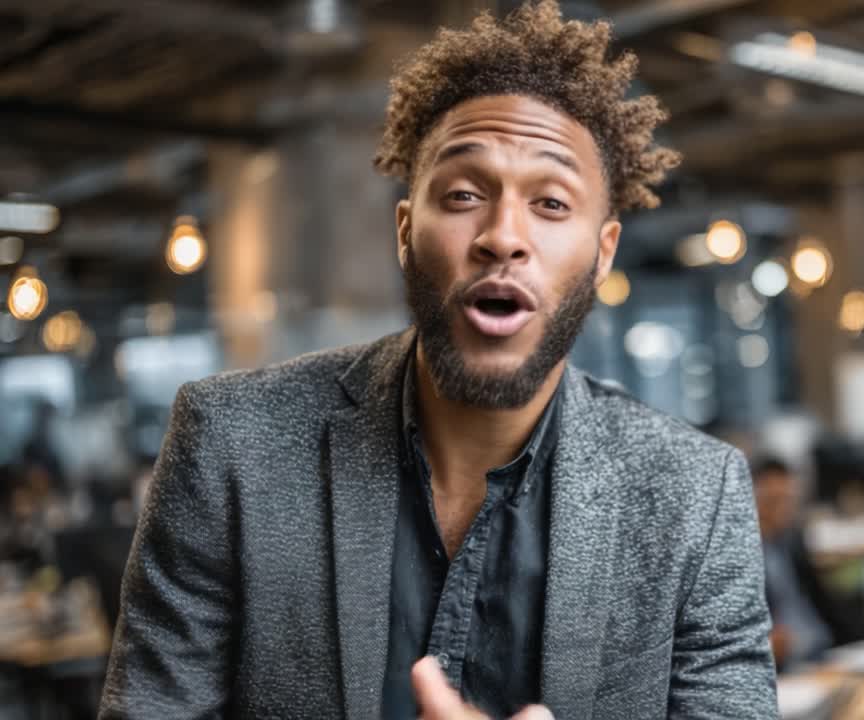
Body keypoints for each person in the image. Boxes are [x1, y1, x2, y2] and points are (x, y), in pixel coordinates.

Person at [98, 3, 776, 719]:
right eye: (461, 195)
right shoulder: (231, 445)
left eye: (550, 202)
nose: (502, 236)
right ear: (404, 230)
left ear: (604, 252)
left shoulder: (697, 498)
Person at [753, 457, 864, 671]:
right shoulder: (740, 558)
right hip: (789, 665)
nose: (783, 510)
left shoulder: (792, 541)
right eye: (773, 501)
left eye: (788, 500)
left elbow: (826, 602)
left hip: (827, 650)